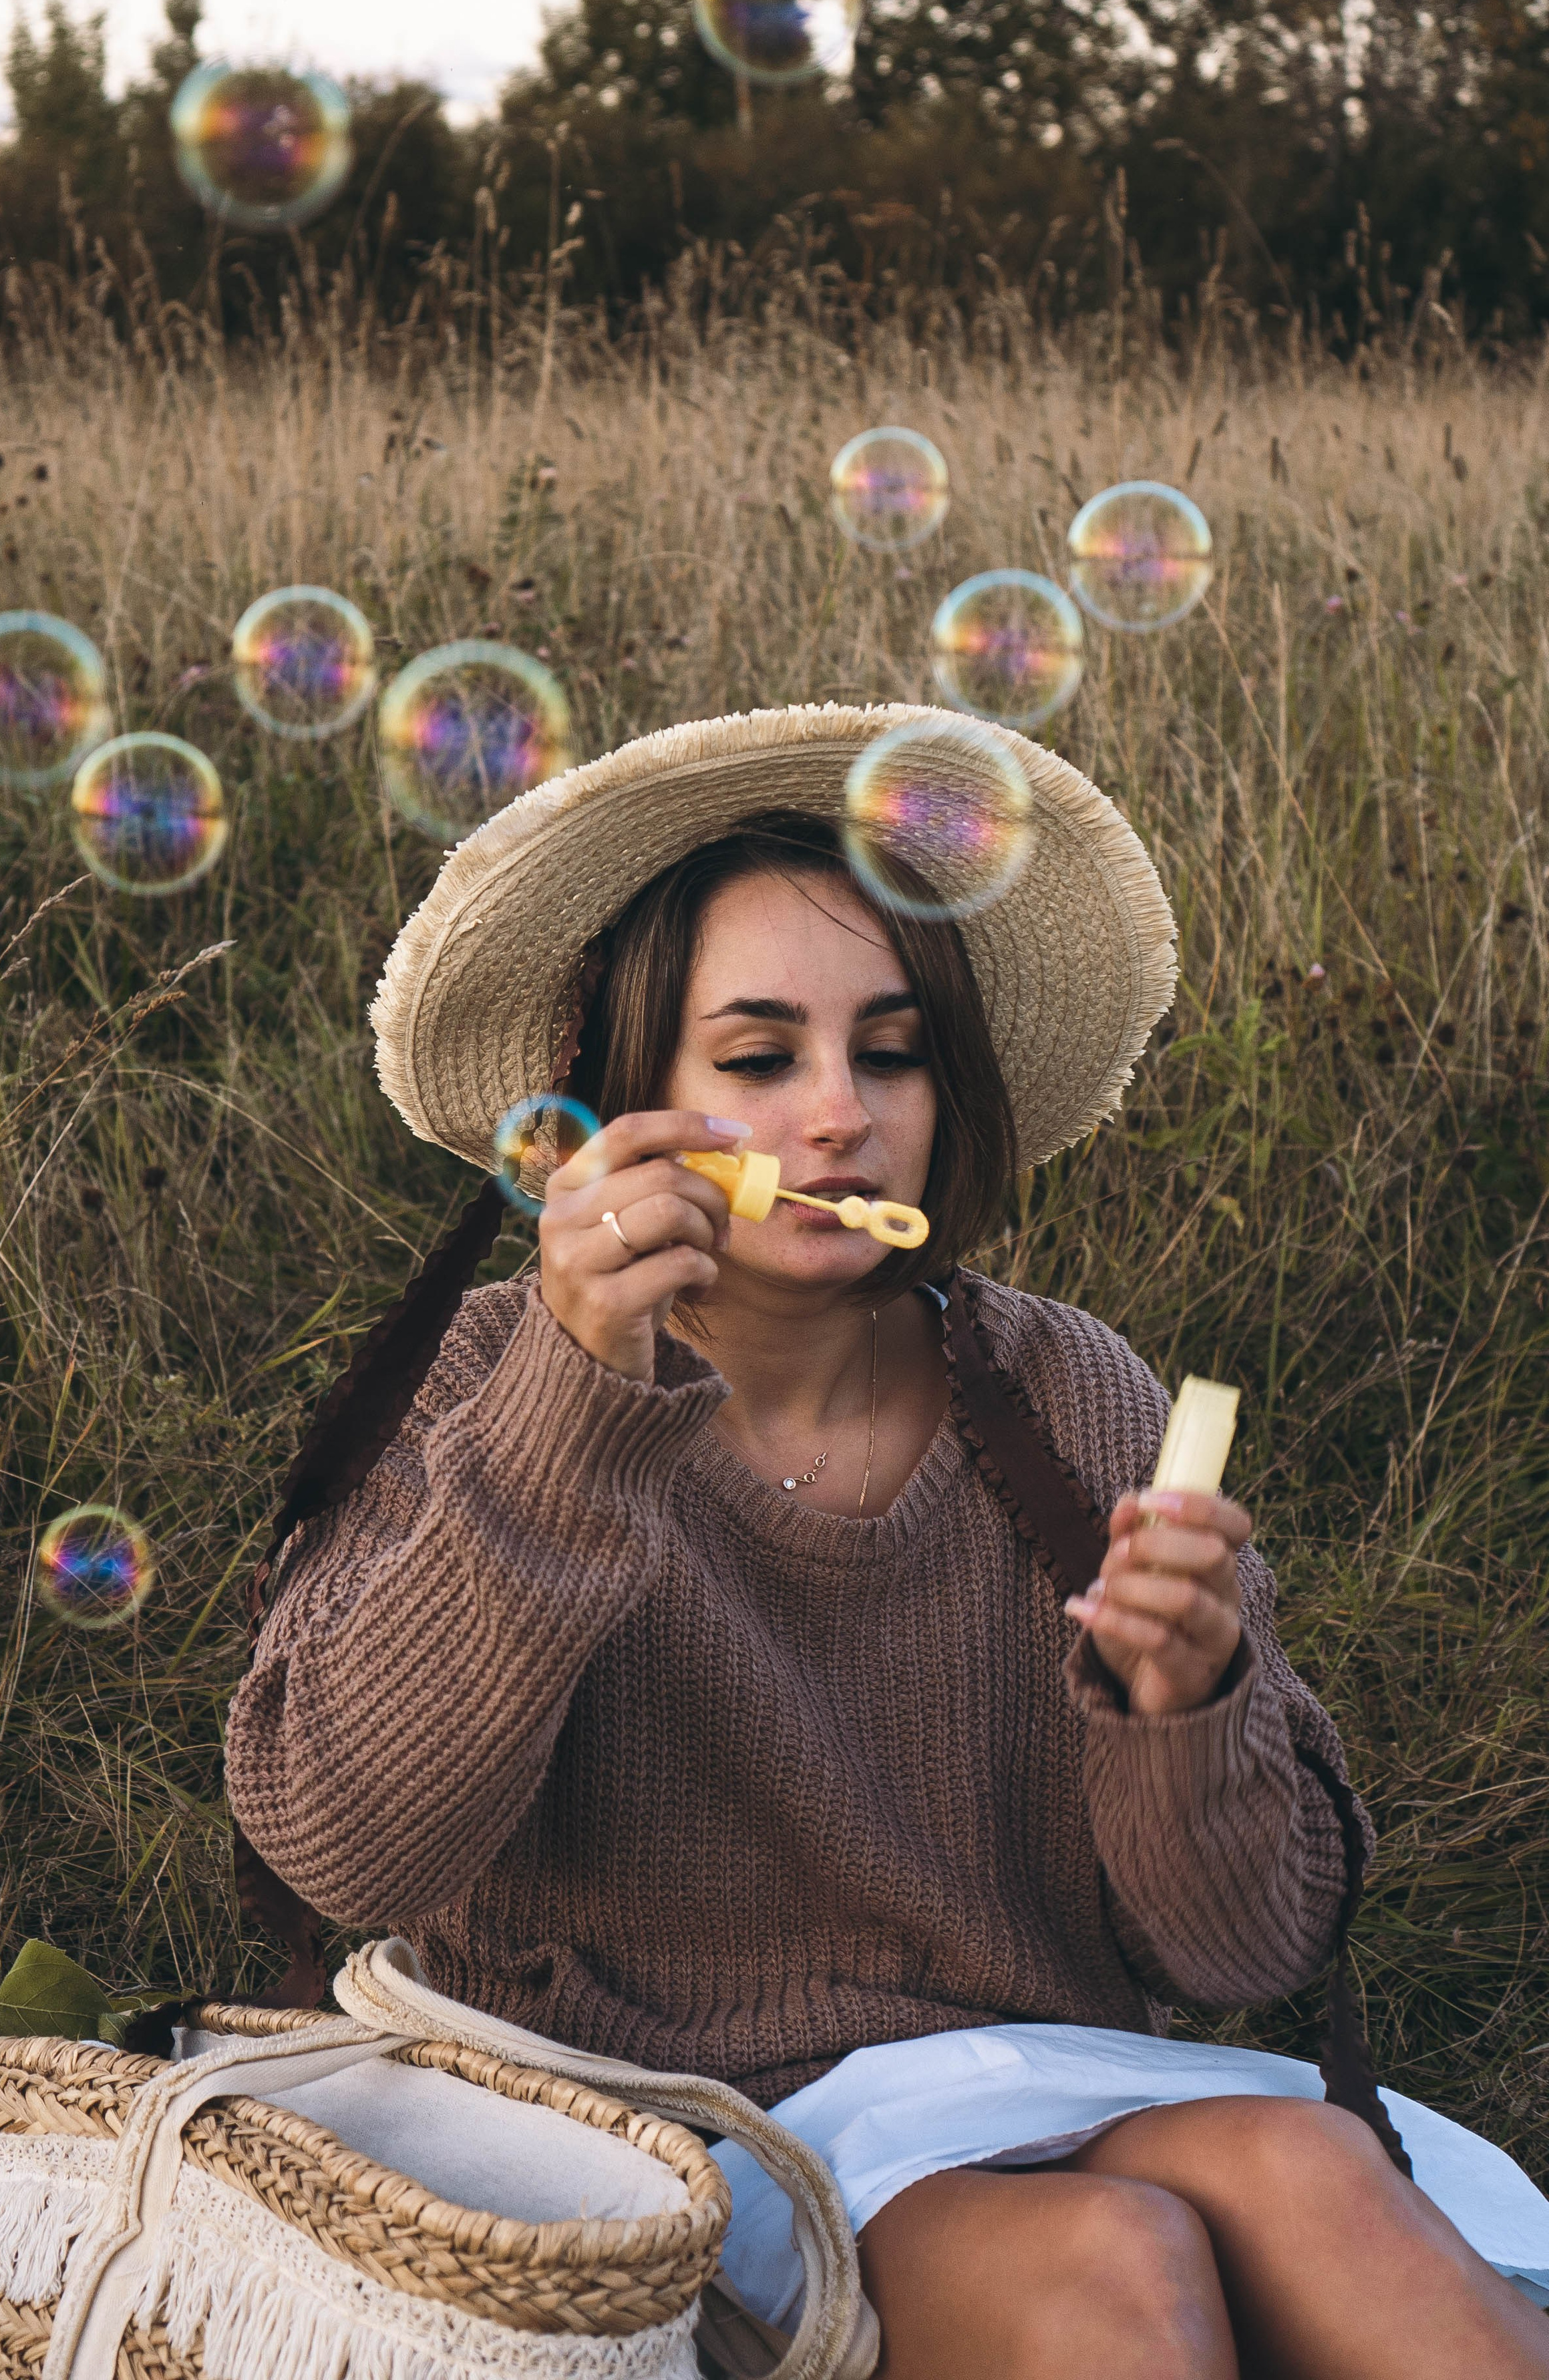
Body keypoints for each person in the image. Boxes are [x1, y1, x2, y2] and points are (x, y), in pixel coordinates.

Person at [227, 704, 1549, 2378]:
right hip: (650, 2136)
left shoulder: (1062, 1393)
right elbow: (349, 1852)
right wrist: (576, 1400)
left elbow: (1238, 1954)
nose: (838, 1116)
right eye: (760, 1058)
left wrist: (1184, 1704)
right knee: (1111, 2264)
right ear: (623, 1101)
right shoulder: (490, 1382)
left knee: (1305, 2165)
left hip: (1028, 2083)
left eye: (893, 1049)